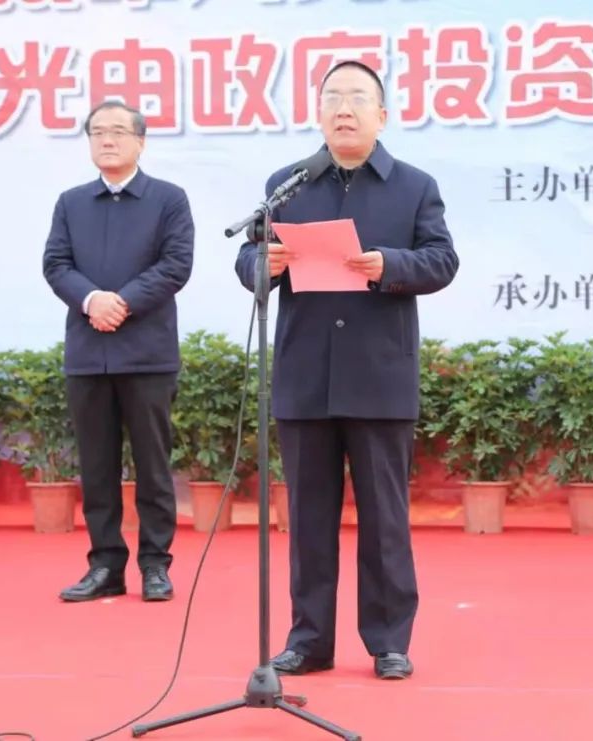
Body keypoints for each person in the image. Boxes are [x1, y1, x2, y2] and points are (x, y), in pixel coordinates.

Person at [234, 61, 458, 679]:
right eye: (332, 97)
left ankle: (389, 642)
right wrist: (263, 264)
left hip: (378, 376)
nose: (344, 108)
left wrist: (389, 264)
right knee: (308, 521)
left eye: (358, 98)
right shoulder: (287, 186)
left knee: (385, 520)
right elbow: (247, 257)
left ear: (381, 115)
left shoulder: (415, 187)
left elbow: (442, 261)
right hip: (305, 376)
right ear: (318, 113)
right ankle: (308, 641)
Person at [43, 100, 194, 603]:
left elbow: (176, 265)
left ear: (140, 141)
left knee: (153, 465)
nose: (107, 140)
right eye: (98, 133)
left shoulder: (168, 199)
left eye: (117, 132)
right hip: (89, 353)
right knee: (96, 467)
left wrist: (123, 302)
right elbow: (56, 264)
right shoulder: (71, 202)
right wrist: (92, 300)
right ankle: (105, 565)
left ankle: (155, 564)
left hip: (147, 354)